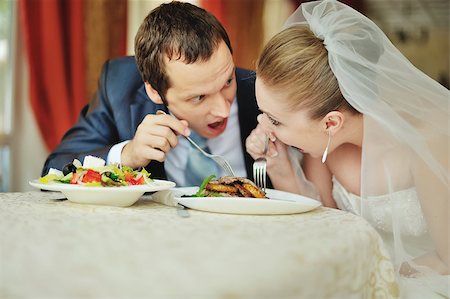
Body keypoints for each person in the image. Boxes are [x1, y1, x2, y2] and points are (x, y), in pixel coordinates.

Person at [245, 0, 449, 297]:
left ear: (331, 123)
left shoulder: (427, 139)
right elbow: (324, 223)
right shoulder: (327, 146)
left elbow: (447, 258)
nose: (264, 126)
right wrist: (280, 167)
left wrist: (368, 275)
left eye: (276, 120)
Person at [42, 1, 260, 187]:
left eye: (227, 82)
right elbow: (54, 169)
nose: (223, 109)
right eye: (198, 97)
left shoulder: (259, 89)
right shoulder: (119, 86)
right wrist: (128, 155)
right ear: (154, 91)